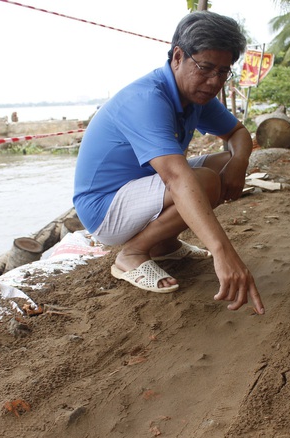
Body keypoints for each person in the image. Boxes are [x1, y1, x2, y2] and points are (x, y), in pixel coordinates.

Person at [73, 11, 264, 314]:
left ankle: (164, 245)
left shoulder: (195, 95)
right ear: (178, 56)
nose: (214, 81)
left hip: (140, 191)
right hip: (104, 209)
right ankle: (132, 254)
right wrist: (222, 252)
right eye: (206, 68)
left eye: (223, 72)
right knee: (204, 180)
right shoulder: (148, 99)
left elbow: (238, 133)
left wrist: (239, 163)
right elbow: (177, 178)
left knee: (223, 162)